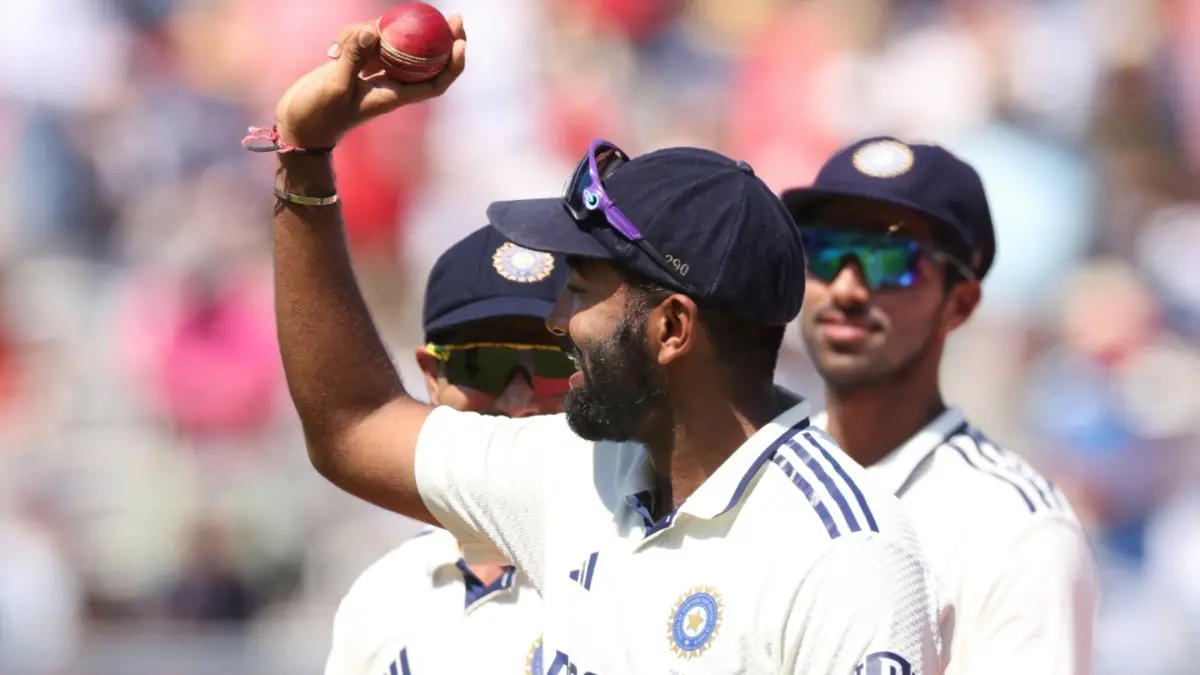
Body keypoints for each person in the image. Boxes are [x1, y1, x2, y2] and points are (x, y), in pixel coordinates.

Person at [265, 19, 943, 674]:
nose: (559, 320)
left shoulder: (845, 554)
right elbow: (352, 425)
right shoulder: (581, 470)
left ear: (673, 327)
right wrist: (306, 156)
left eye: (584, 290)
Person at [781, 136, 1099, 674]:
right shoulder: (760, 479)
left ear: (960, 303)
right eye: (823, 251)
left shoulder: (1015, 530)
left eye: (891, 261)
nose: (849, 287)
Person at [324, 226, 565, 675]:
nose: (518, 400)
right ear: (432, 376)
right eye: (481, 364)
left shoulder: (635, 569)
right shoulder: (383, 596)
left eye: (554, 363)